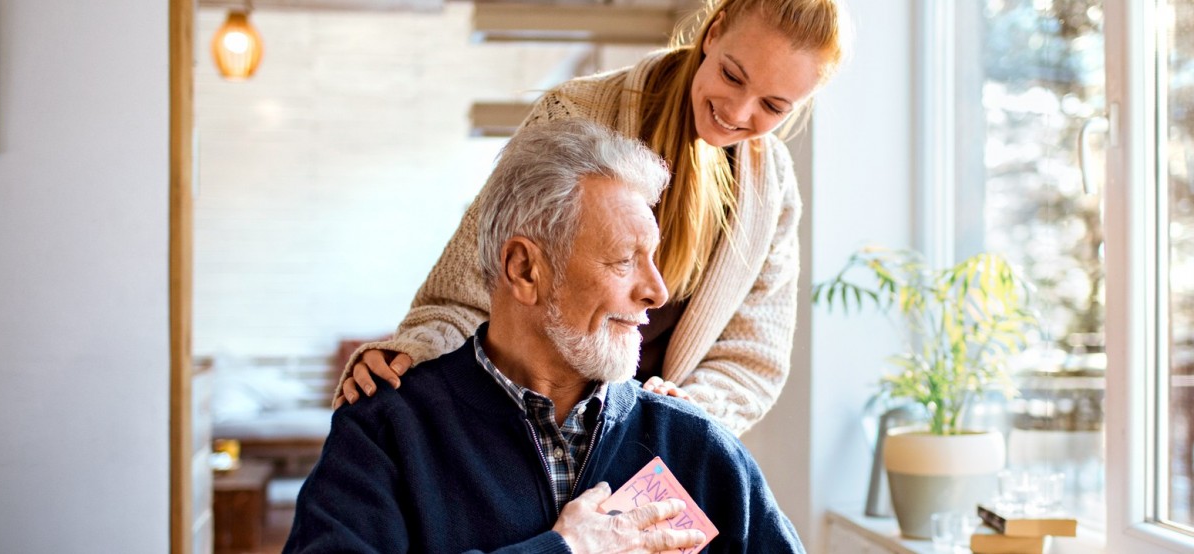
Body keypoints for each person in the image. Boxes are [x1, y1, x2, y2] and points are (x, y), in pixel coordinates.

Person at [284, 119, 804, 553]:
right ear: (525, 270)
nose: (657, 291)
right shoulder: (384, 432)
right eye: (625, 261)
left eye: (654, 259)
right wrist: (565, 549)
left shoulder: (695, 446)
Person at [335, 0, 847, 435]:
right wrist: (411, 353)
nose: (738, 111)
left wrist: (690, 412)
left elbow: (752, 356)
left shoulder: (771, 187)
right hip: (523, 421)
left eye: (774, 106)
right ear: (712, 35)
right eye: (732, 76)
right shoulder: (575, 111)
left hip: (653, 447)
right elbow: (477, 276)